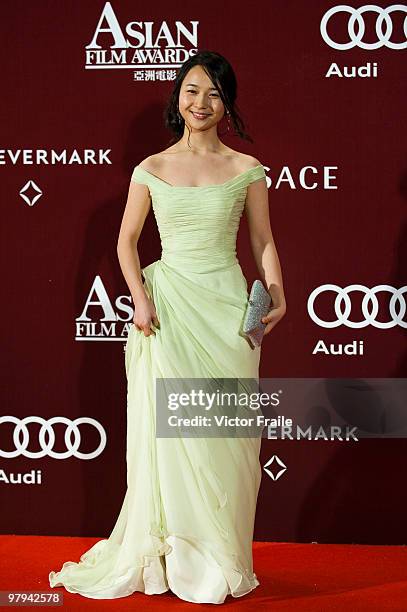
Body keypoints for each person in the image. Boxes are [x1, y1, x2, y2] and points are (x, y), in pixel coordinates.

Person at [49, 49, 286, 604]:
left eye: (213, 93)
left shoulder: (246, 169)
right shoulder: (151, 168)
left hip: (227, 310)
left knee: (225, 439)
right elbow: (125, 241)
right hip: (169, 309)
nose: (200, 103)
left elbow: (262, 241)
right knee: (174, 437)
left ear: (227, 103)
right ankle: (177, 561)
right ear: (176, 97)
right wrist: (139, 299)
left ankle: (221, 560)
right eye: (191, 90)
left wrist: (276, 292)